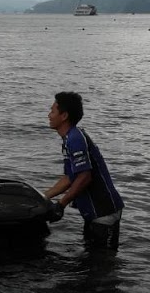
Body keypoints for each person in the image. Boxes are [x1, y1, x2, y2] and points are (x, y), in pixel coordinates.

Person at [44, 91, 124, 249]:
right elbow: (70, 178)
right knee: (90, 262)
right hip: (94, 214)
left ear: (64, 116)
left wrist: (61, 204)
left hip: (103, 213)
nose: (49, 115)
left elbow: (84, 177)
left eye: (53, 111)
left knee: (101, 265)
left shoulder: (75, 139)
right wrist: (43, 197)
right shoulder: (70, 139)